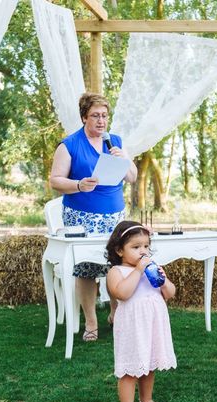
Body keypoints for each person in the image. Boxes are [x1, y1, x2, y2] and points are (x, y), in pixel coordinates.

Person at [49, 92, 137, 342]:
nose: (101, 121)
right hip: (81, 216)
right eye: (95, 116)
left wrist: (125, 160)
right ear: (84, 117)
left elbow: (132, 177)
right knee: (86, 269)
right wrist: (78, 185)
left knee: (117, 266)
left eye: (104, 116)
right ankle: (90, 321)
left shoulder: (115, 142)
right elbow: (55, 180)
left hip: (115, 216)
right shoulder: (70, 145)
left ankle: (115, 313)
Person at [105, 220, 177, 402]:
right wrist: (138, 271)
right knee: (130, 367)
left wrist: (164, 281)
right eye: (136, 247)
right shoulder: (117, 272)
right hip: (132, 326)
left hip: (153, 323)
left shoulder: (153, 269)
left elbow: (169, 294)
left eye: (146, 246)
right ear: (119, 250)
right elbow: (122, 294)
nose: (143, 251)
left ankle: (146, 401)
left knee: (149, 363)